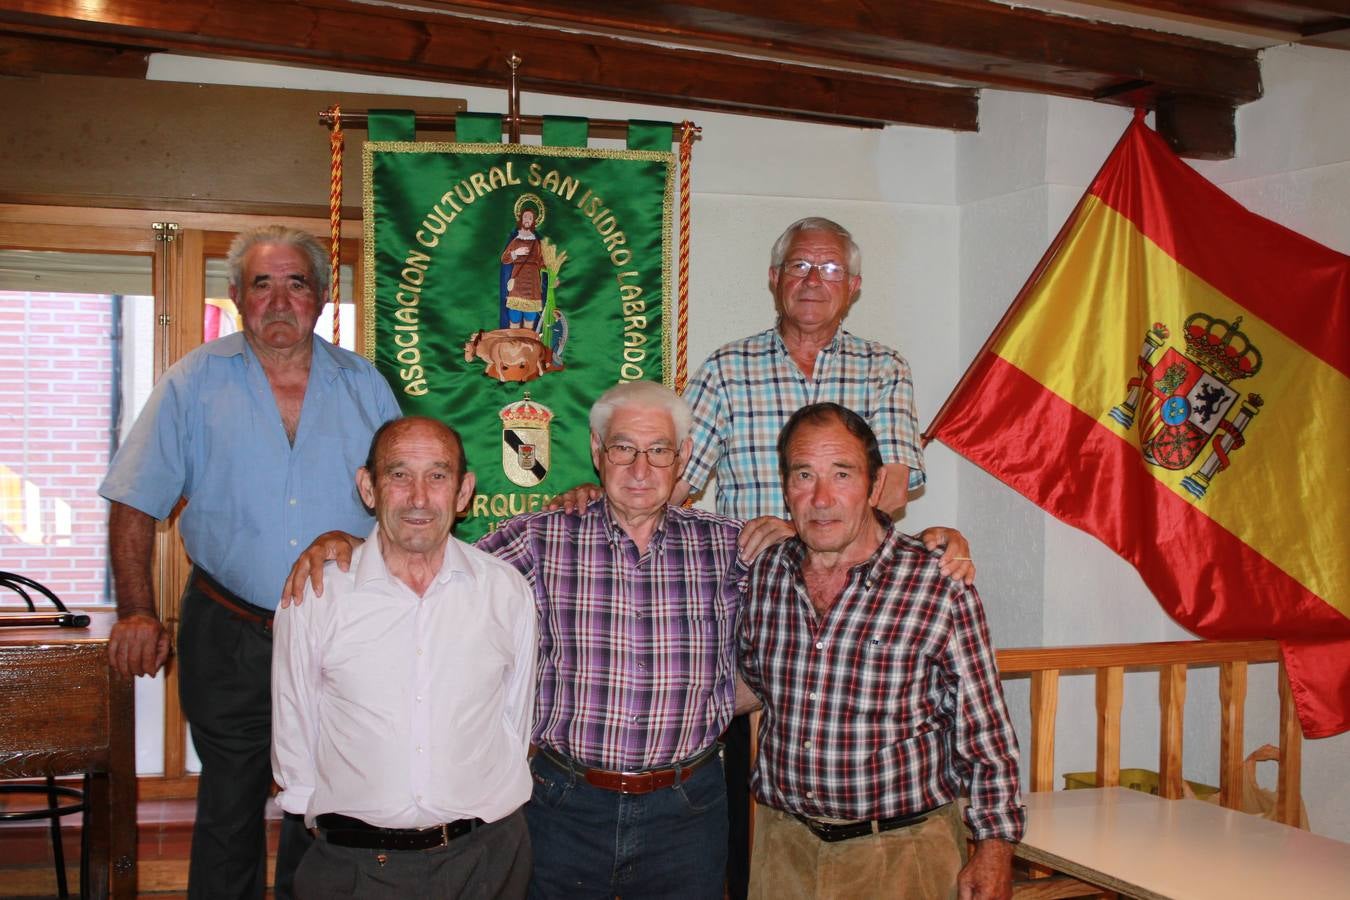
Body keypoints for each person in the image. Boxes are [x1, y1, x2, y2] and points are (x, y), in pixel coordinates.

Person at [283, 381, 791, 898]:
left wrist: (795, 535)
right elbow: (428, 557)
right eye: (622, 448)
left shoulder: (730, 546)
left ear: (682, 457)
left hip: (688, 808)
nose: (641, 468)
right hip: (566, 805)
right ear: (597, 451)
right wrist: (346, 544)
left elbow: (807, 616)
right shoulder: (538, 538)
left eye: (658, 450)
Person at [99, 224, 401, 900]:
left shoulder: (366, 387)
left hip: (340, 627)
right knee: (229, 803)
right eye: (261, 283)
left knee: (325, 802)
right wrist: (139, 611)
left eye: (296, 282)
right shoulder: (192, 383)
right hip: (227, 627)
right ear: (236, 297)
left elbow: (405, 502)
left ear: (321, 297)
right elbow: (133, 502)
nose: (279, 299)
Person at [739, 403, 1023, 900]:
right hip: (783, 852)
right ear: (785, 488)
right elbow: (754, 683)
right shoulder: (765, 577)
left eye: (842, 474)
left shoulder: (937, 582)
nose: (822, 498)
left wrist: (995, 848)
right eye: (804, 475)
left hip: (901, 855)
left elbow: (985, 729)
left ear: (873, 488)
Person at [272, 417, 535, 899]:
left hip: (486, 864)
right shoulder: (316, 595)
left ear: (463, 491)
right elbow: (295, 738)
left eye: (437, 476)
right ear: (368, 487)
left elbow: (515, 721)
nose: (418, 497)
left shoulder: (506, 591)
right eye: (398, 475)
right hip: (353, 870)